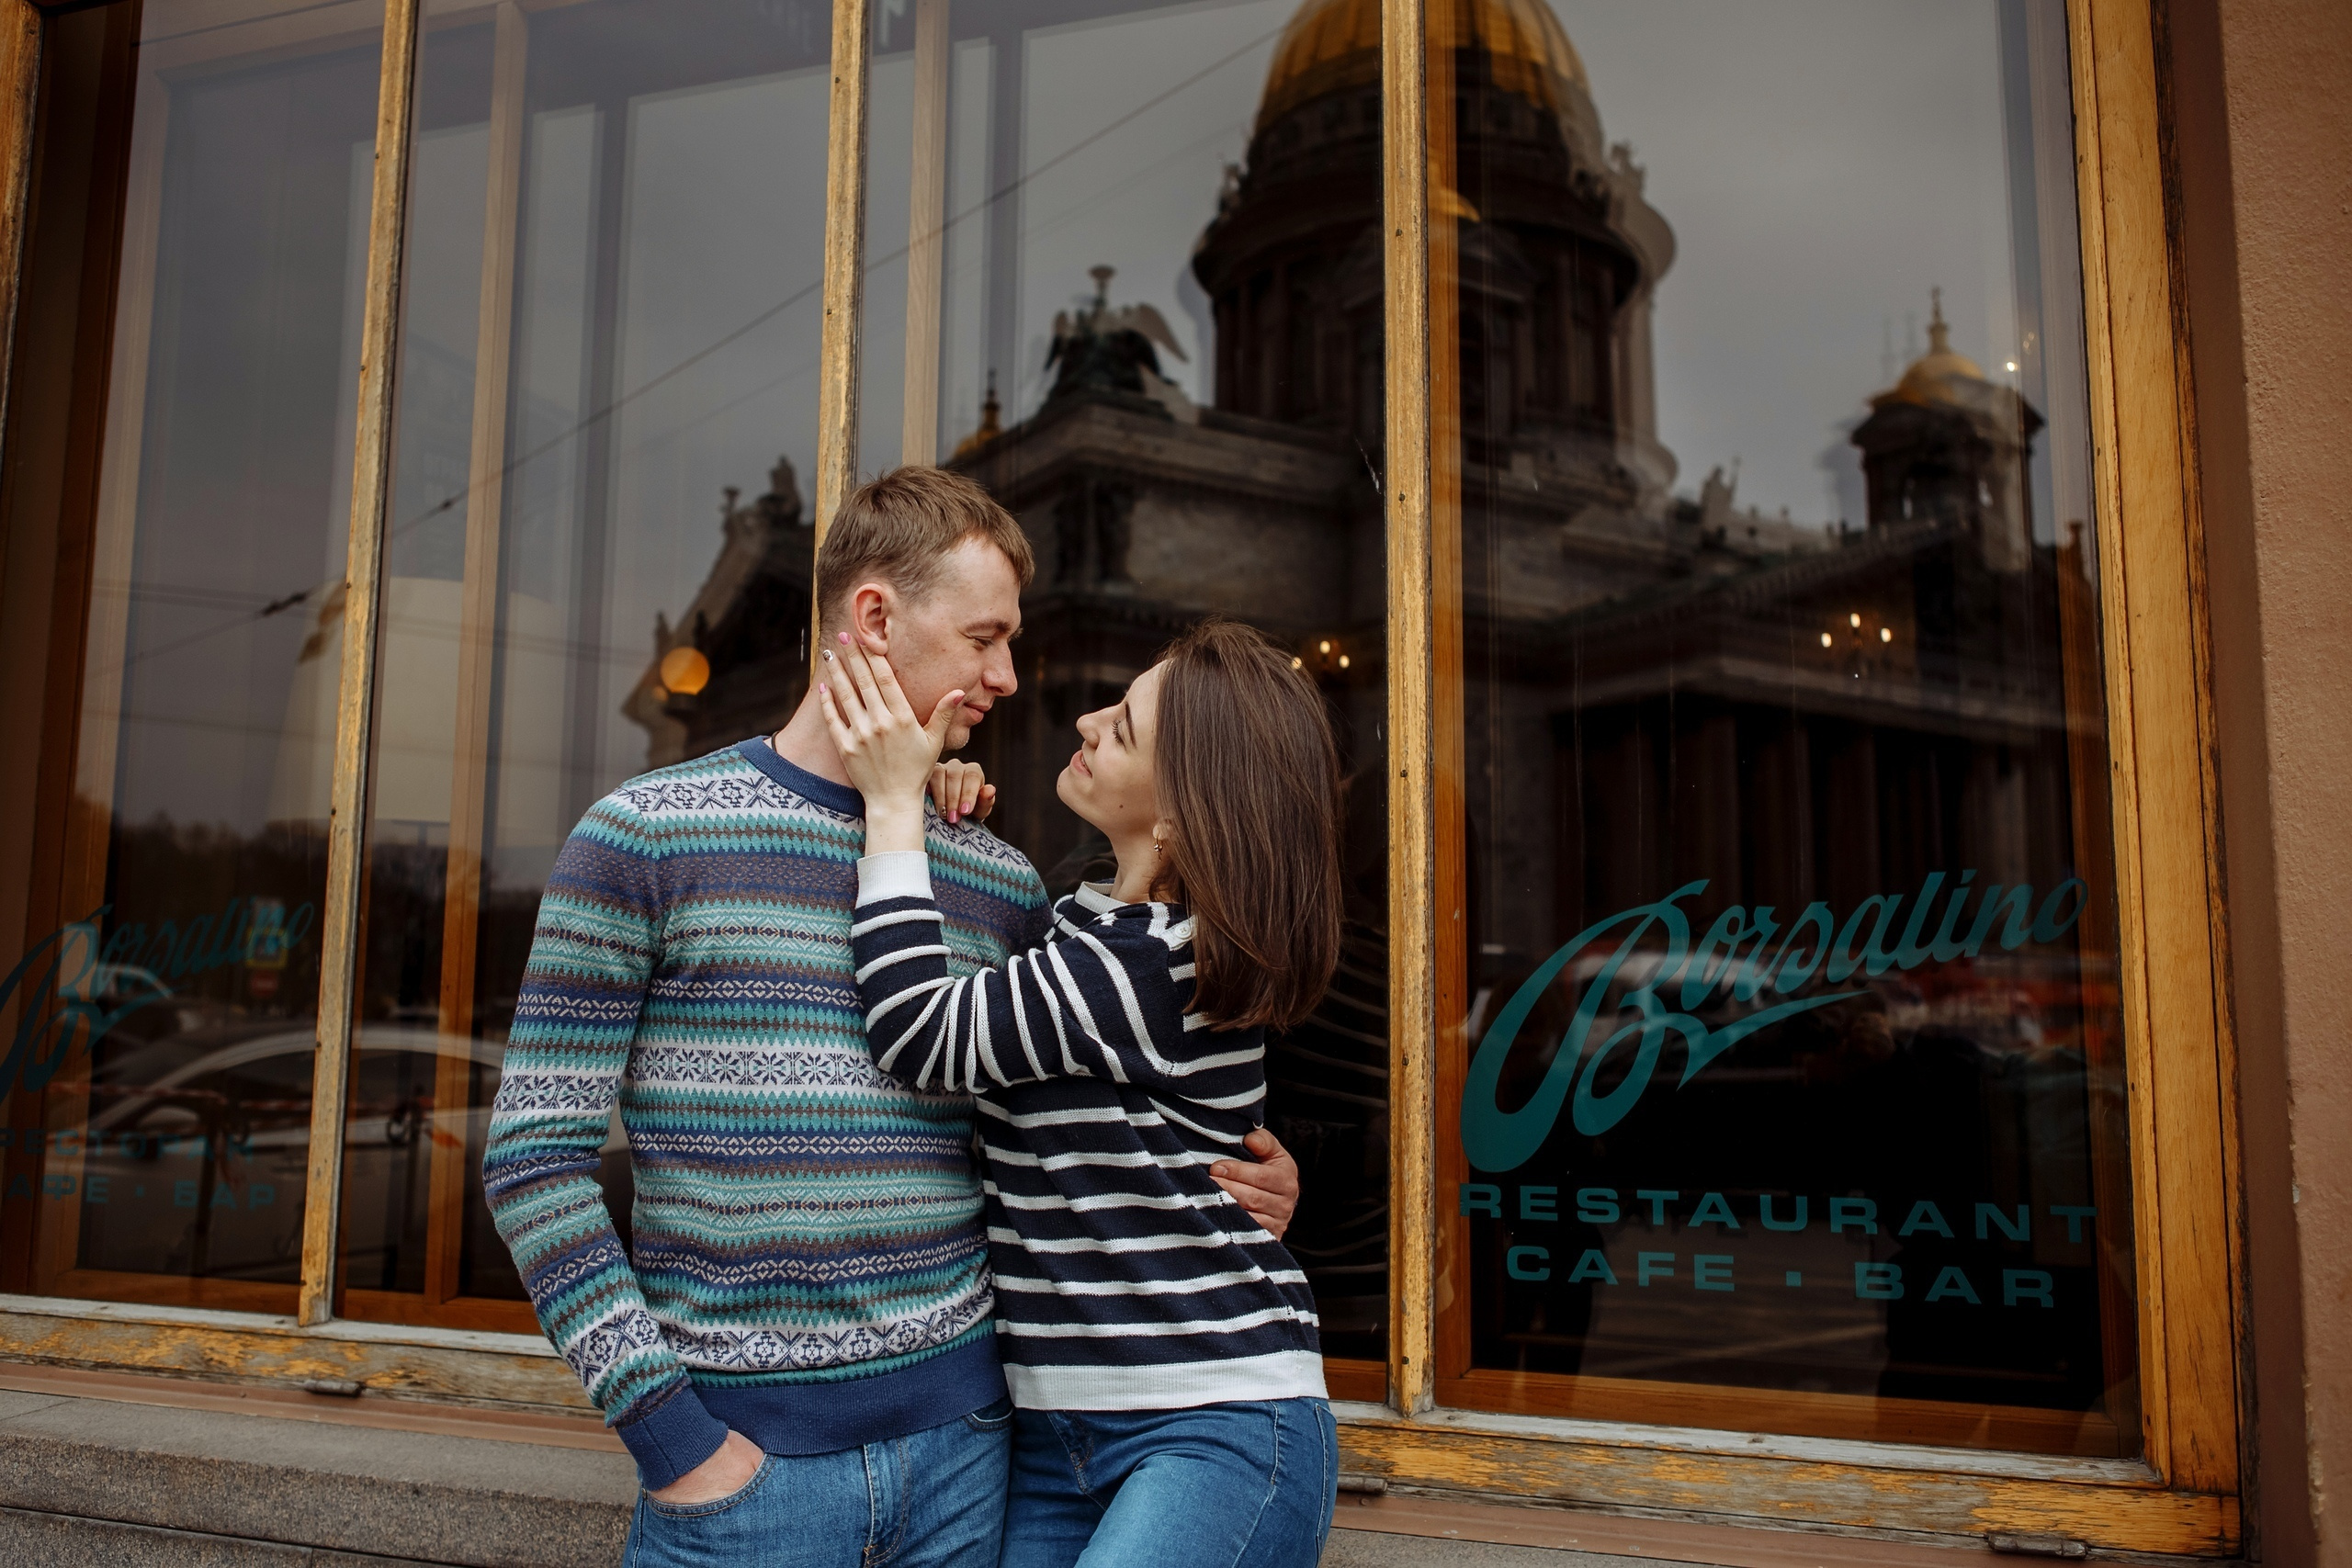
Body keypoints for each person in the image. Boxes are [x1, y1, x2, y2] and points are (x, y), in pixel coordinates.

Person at [481, 468, 1301, 1567]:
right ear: (874, 618)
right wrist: (674, 1442)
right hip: (741, 1486)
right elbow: (534, 1163)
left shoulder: (995, 877)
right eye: (983, 639)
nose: (1009, 677)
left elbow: (1087, 1110)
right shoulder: (644, 838)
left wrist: (1234, 1175)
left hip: (972, 1466)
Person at [817, 615, 1344, 1568]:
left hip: (1208, 1419)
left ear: (1180, 815)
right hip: (1058, 1433)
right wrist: (939, 806)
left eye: (1124, 728)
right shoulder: (1085, 933)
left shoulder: (1146, 964)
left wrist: (893, 807)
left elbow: (919, 1032)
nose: (1088, 722)